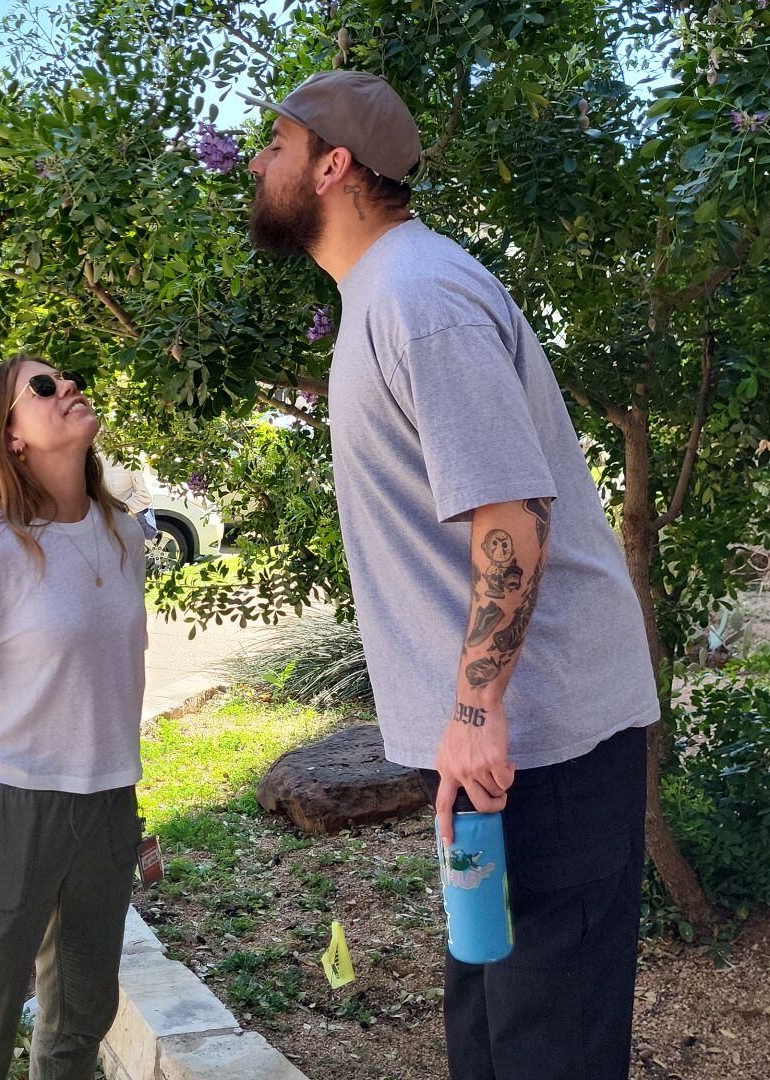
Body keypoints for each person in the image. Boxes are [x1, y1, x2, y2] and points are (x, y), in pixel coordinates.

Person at [242, 71, 659, 1080]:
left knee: (547, 1044)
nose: (258, 161)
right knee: (490, 1029)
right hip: (497, 748)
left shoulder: (420, 299)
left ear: (334, 168)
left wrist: (477, 710)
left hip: (545, 742)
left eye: (279, 143)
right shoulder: (382, 296)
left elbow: (513, 516)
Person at [0, 355, 147, 1080]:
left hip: (107, 805)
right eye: (42, 387)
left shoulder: (124, 535)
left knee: (79, 1028)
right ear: (10, 436)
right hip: (4, 806)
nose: (67, 386)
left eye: (68, 376)